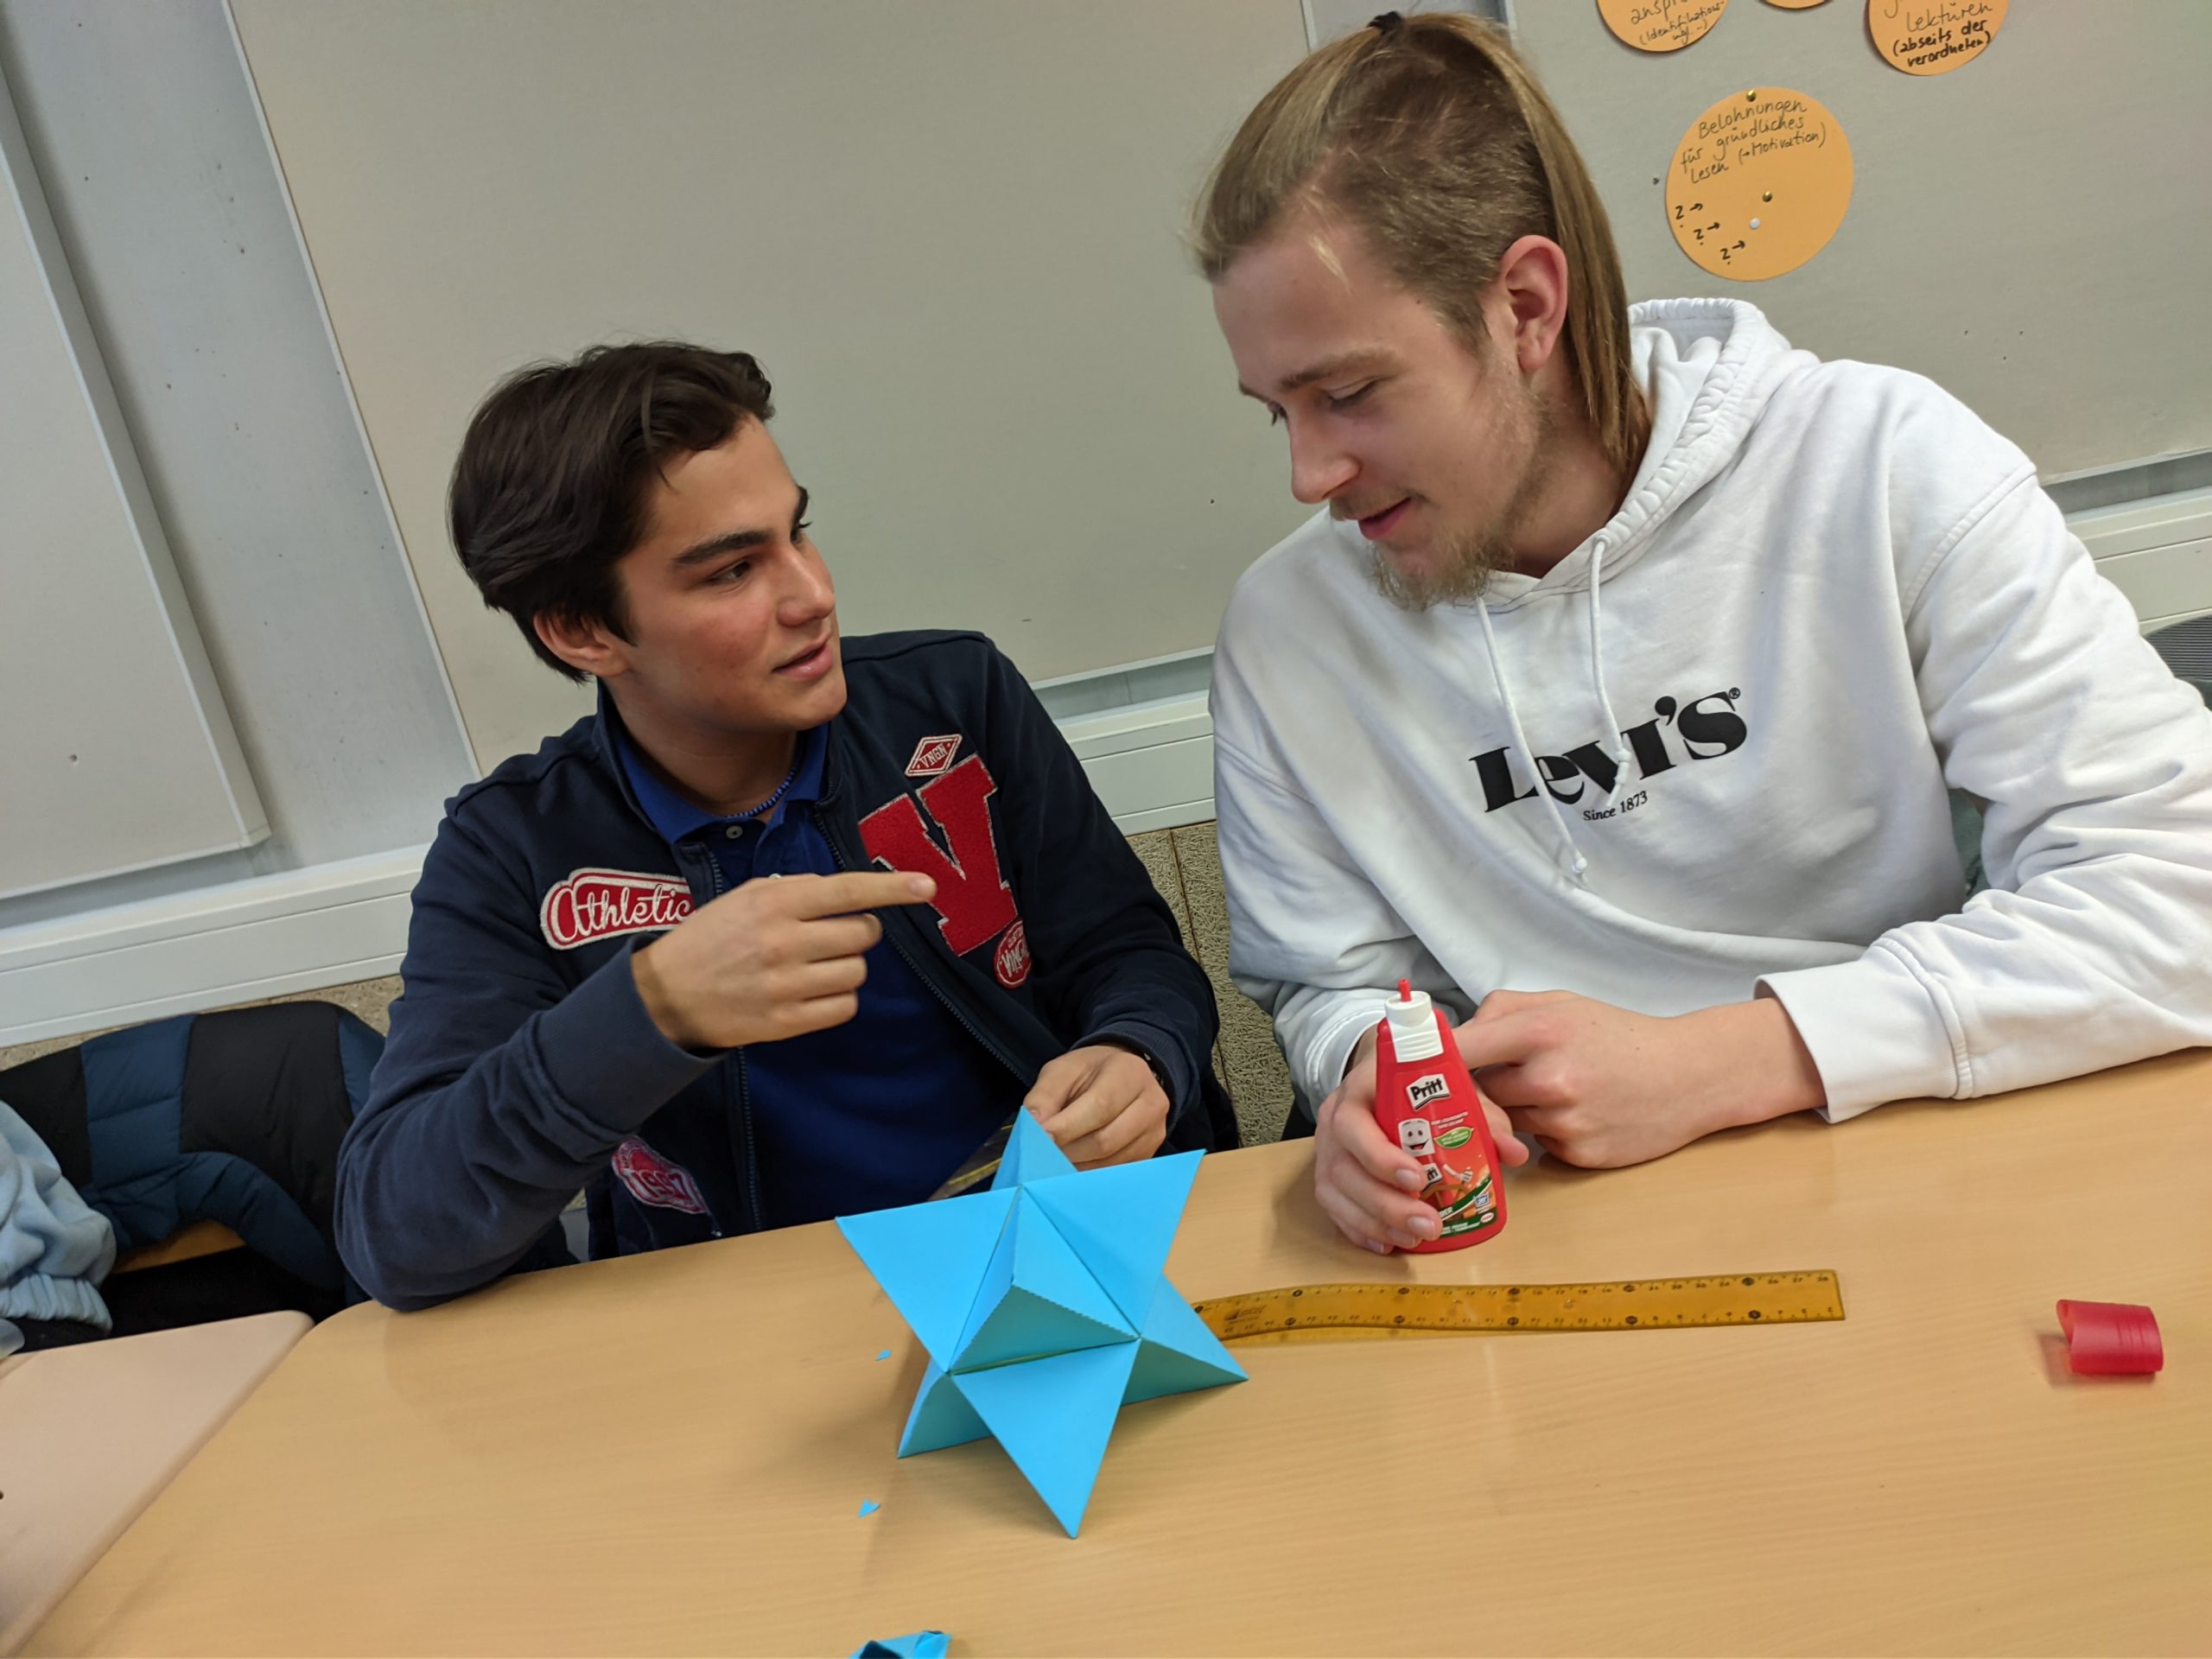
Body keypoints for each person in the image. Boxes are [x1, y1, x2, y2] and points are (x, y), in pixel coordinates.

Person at [1192, 12, 2212, 1255]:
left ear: (1523, 307)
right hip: (1545, 1232)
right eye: (1277, 411)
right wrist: (1366, 1073)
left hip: (1906, 1164)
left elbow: (2179, 895)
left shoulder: (1883, 466)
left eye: (1349, 393)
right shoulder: (1285, 633)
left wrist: (1731, 1060)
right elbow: (1328, 981)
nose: (1309, 474)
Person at [339, 342, 1229, 1309]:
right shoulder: (511, 849)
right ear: (582, 631)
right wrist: (651, 1010)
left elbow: (1128, 950)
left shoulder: (953, 698)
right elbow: (397, 1235)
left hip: (1062, 1256)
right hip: (760, 1318)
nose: (813, 595)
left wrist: (1139, 1050)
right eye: (732, 571)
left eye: (798, 532)